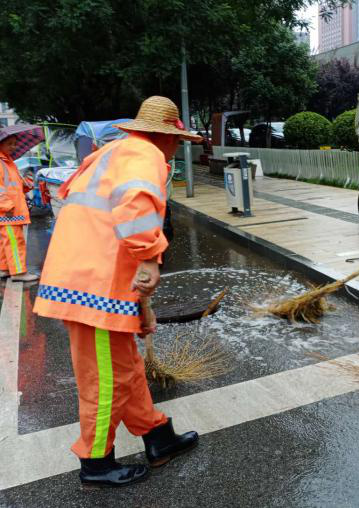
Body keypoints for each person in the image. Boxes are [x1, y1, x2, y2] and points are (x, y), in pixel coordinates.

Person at [33, 96, 203, 489]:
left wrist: (141, 307)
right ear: (164, 137)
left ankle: (157, 437)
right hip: (96, 285)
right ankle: (96, 462)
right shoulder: (146, 156)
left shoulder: (112, 152)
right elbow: (136, 208)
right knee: (105, 379)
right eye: (178, 141)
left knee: (123, 368)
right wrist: (148, 258)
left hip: (90, 280)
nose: (178, 149)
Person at [0, 132, 40, 282]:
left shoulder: (8, 162)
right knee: (15, 241)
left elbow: (11, 185)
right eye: (9, 143)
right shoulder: (2, 162)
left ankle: (4, 269)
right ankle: (18, 272)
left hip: (9, 210)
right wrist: (6, 205)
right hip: (8, 211)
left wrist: (25, 185)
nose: (13, 146)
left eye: (14, 143)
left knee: (7, 241)